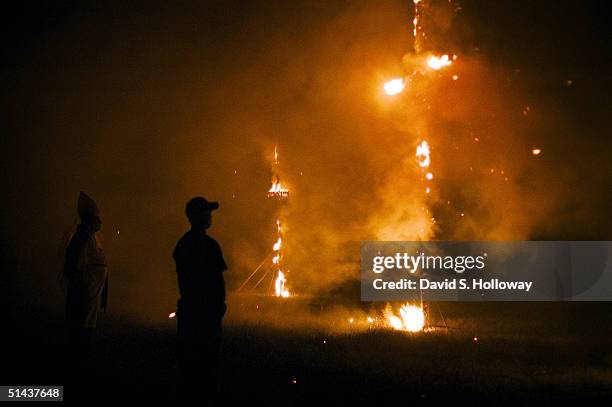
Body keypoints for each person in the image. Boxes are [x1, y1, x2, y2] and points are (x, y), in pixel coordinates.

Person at [173, 196, 227, 399]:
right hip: (206, 313)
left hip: (189, 310)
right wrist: (219, 305)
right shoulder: (209, 245)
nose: (211, 216)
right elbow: (217, 279)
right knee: (208, 366)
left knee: (188, 365)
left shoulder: (182, 244)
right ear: (200, 216)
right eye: (208, 212)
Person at [64, 192, 108, 355]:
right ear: (91, 220)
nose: (100, 222)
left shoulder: (91, 237)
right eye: (98, 218)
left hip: (89, 297)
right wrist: (82, 293)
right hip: (83, 297)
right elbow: (73, 267)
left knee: (85, 331)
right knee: (79, 333)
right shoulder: (82, 238)